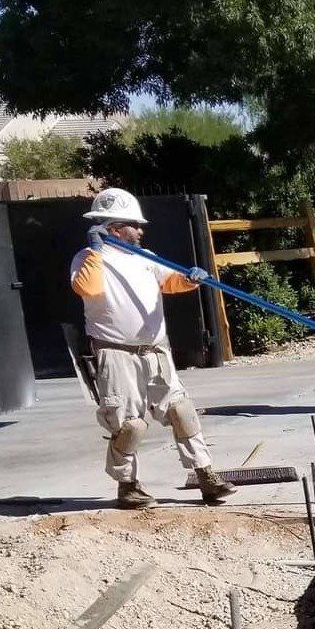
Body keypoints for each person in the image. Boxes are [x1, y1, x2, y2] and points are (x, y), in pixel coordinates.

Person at [70, 188, 234, 511]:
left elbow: (169, 281)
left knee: (181, 410)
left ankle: (205, 475)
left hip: (155, 351)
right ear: (114, 228)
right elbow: (86, 287)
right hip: (116, 353)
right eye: (134, 225)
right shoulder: (87, 259)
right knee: (128, 424)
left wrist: (190, 279)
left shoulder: (146, 257)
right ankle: (127, 486)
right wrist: (97, 251)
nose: (141, 231)